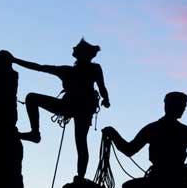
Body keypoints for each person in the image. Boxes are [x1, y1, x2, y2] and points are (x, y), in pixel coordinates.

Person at [8, 39, 111, 178]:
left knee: (32, 98)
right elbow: (102, 87)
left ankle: (35, 133)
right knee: (81, 142)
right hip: (83, 109)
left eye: (76, 47)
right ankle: (80, 177)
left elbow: (39, 67)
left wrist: (14, 60)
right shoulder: (90, 69)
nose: (73, 47)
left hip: (71, 107)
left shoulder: (67, 71)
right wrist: (106, 100)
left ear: (80, 54)